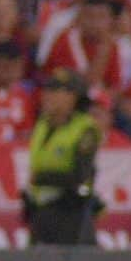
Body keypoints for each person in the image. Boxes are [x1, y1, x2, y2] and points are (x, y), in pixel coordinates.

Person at [22, 68, 102, 245]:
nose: (48, 96)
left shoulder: (84, 130)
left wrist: (42, 178)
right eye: (48, 90)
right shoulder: (43, 124)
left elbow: (81, 176)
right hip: (40, 210)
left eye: (56, 91)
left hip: (68, 211)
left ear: (73, 97)